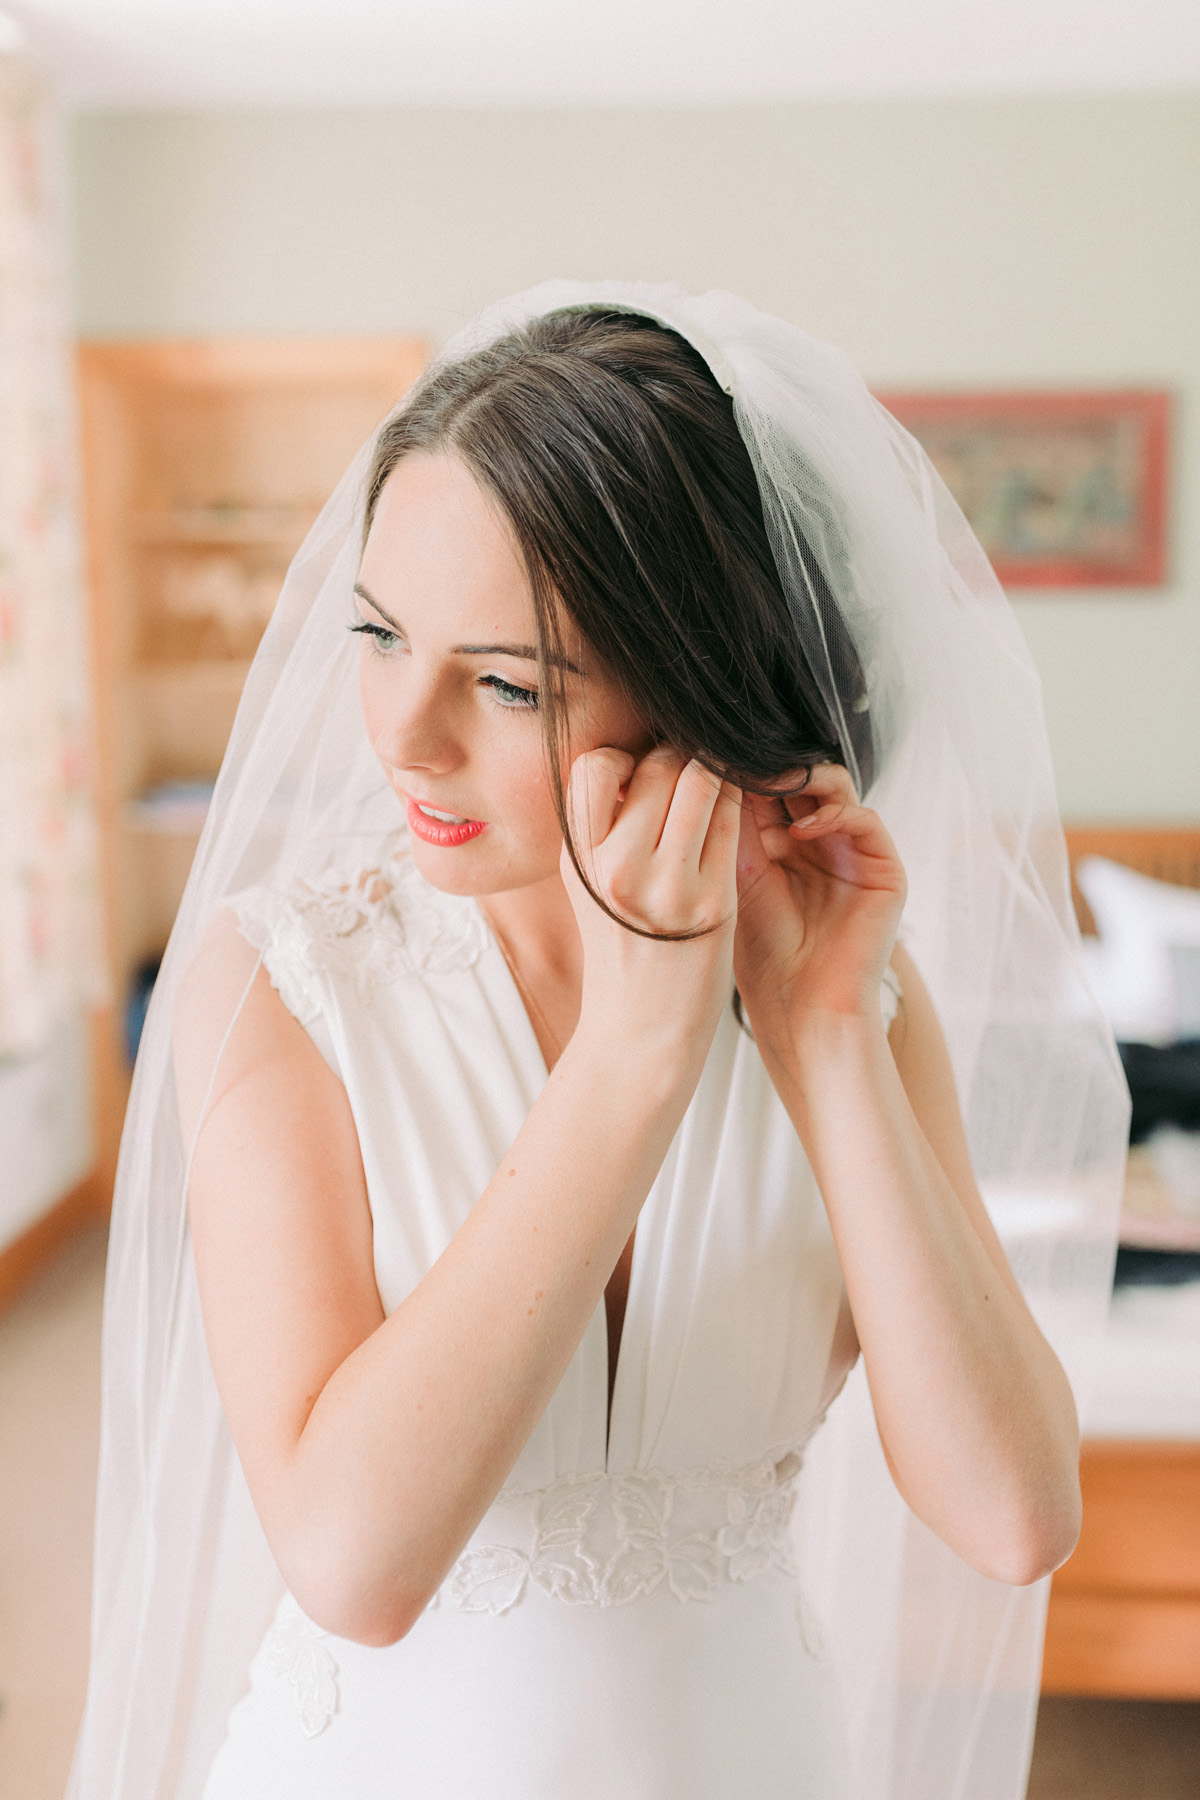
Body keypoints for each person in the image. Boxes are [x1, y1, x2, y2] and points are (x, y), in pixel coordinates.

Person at [68, 283, 1128, 1800]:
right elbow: (353, 1563)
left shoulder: (847, 999)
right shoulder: (278, 981)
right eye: (379, 634)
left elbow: (1015, 1516)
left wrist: (822, 1038)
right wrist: (632, 1061)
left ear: (699, 695)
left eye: (506, 682)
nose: (405, 735)